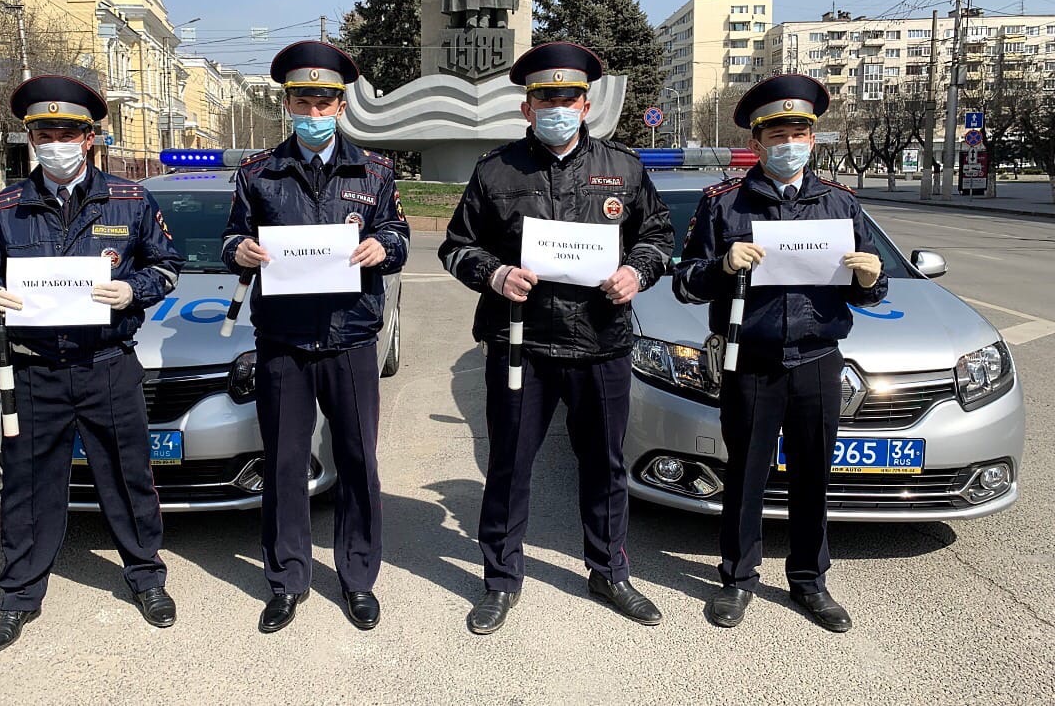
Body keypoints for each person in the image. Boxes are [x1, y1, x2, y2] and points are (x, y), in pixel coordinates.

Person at [438, 42, 675, 635]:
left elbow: (659, 235)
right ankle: (500, 579)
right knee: (510, 467)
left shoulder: (624, 167)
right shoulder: (496, 170)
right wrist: (493, 274)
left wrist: (636, 271)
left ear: (586, 104)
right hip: (522, 344)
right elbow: (455, 245)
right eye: (545, 97)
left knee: (605, 466)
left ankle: (610, 570)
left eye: (567, 97)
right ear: (526, 106)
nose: (556, 107)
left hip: (601, 343)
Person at [0, 75, 185, 655]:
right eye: (43, 133)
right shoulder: (6, 207)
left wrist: (132, 290)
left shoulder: (131, 199)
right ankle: (18, 596)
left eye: (66, 132)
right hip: (35, 370)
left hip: (107, 364)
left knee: (127, 475)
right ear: (31, 138)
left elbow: (166, 267)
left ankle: (146, 578)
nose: (54, 142)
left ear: (89, 138)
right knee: (29, 486)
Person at [672, 74, 888, 633]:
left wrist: (873, 276)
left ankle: (810, 581)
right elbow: (686, 283)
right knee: (744, 473)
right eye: (775, 133)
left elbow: (870, 287)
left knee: (814, 474)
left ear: (812, 140)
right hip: (752, 360)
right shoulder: (723, 204)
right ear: (758, 140)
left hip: (817, 358)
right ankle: (738, 580)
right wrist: (722, 266)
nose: (787, 142)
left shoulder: (839, 203)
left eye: (798, 132)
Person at [221, 41, 410, 633]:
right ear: (287, 102)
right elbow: (231, 240)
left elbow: (398, 236)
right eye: (303, 98)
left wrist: (385, 246)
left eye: (325, 99)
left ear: (340, 104)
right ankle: (286, 580)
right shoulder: (257, 173)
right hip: (283, 344)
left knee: (357, 461)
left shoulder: (375, 170)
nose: (314, 108)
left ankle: (357, 577)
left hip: (350, 340)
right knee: (283, 466)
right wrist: (241, 252)